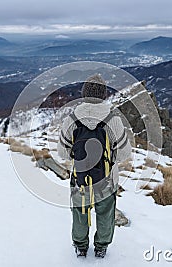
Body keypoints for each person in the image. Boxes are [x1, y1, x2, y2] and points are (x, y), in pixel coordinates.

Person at [58, 74, 131, 258]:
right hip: (106, 179)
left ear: (84, 94)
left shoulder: (72, 118)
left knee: (80, 213)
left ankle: (80, 246)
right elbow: (124, 153)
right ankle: (101, 247)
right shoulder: (113, 119)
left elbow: (62, 151)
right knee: (105, 213)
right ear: (103, 95)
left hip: (80, 178)